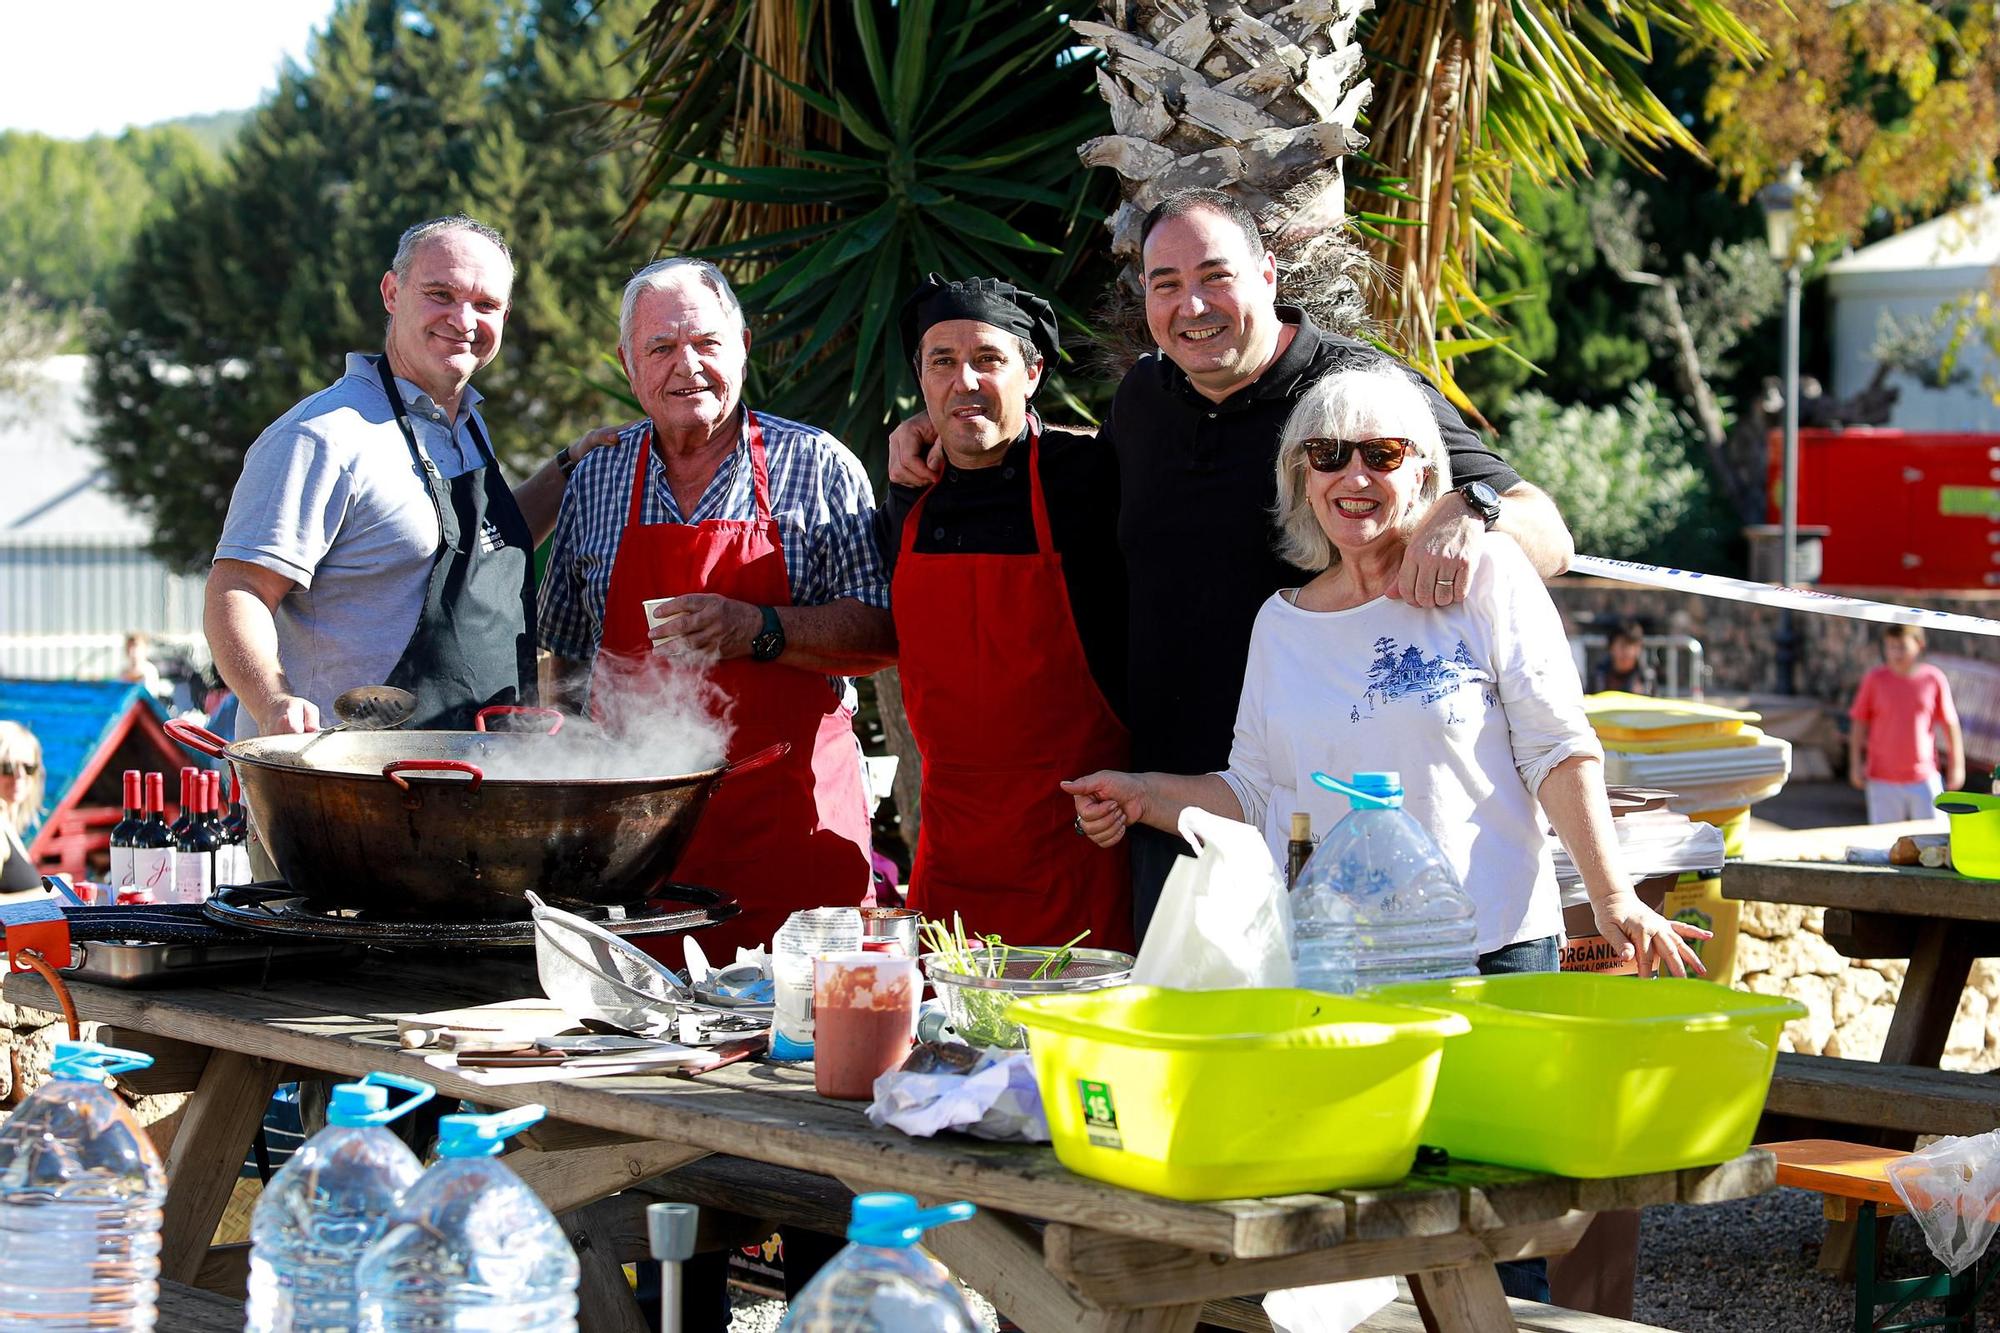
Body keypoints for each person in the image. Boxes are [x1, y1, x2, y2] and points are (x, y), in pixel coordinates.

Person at [893, 188, 1576, 939]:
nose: (1192, 306)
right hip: (1170, 816)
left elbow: (1550, 535)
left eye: (1214, 277)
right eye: (1167, 285)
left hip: (1335, 829)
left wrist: (1467, 510)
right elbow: (1065, 467)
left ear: (1269, 275)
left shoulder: (1355, 392)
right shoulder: (1144, 399)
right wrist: (955, 414)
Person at [1065, 365, 1706, 984]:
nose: (1355, 475)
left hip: (1489, 948)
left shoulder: (1486, 574)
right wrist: (1143, 796)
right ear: (1301, 476)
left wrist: (1613, 896)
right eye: (1329, 454)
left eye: (1382, 454)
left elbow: (1557, 750)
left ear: (1424, 471)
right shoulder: (1281, 622)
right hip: (1332, 959)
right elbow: (1255, 795)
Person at [539, 257, 894, 958]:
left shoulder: (818, 464)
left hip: (794, 835)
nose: (687, 366)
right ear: (627, 364)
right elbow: (566, 655)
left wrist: (760, 629)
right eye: (662, 348)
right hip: (642, 849)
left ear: (743, 345)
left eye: (706, 343)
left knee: (809, 1048)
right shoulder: (598, 478)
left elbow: (882, 632)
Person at [206, 215, 617, 741]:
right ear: (392, 292)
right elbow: (237, 587)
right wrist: (272, 701)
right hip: (350, 784)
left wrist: (567, 467)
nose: (463, 320)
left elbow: (485, 547)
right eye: (440, 294)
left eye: (485, 305)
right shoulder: (322, 436)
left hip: (477, 777)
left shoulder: (466, 424)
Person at [877, 274, 1132, 951]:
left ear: (1032, 372)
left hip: (1078, 845)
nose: (964, 381)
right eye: (943, 362)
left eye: (988, 359)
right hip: (951, 855)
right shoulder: (908, 498)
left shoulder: (1094, 477)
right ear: (921, 381)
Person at [1849, 624, 1964, 823]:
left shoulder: (1933, 678)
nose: (1895, 653)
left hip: (1923, 775)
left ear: (1919, 645)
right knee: (1885, 842)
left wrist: (1957, 765)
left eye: (1901, 646)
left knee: (1934, 838)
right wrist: (1855, 763)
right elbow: (1859, 723)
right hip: (1881, 776)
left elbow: (1950, 723)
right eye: (1890, 647)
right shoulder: (1875, 679)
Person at [0, 721, 44, 892]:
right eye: (8, 767)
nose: (19, 776)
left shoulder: (8, 825)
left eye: (28, 768)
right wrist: (46, 893)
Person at [1588, 621, 1656, 695]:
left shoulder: (1647, 678)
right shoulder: (1598, 676)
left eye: (1632, 646)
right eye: (1622, 646)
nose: (1628, 652)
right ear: (1611, 647)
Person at [118, 632, 167, 701]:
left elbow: (150, 696)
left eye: (135, 647)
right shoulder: (123, 672)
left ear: (144, 649)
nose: (132, 651)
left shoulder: (150, 670)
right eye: (129, 647)